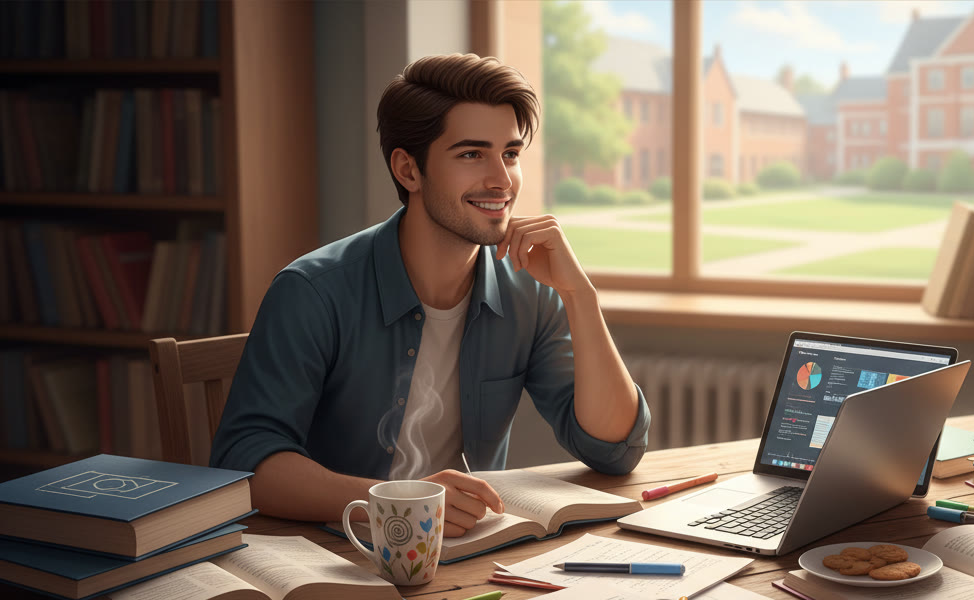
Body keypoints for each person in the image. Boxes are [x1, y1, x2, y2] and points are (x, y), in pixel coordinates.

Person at [210, 53, 649, 534]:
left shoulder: (530, 292)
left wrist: (579, 295)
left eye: (510, 153)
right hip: (336, 555)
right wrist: (401, 502)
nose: (502, 180)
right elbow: (248, 466)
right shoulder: (312, 293)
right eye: (471, 154)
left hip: (463, 557)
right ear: (408, 170)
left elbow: (612, 450)